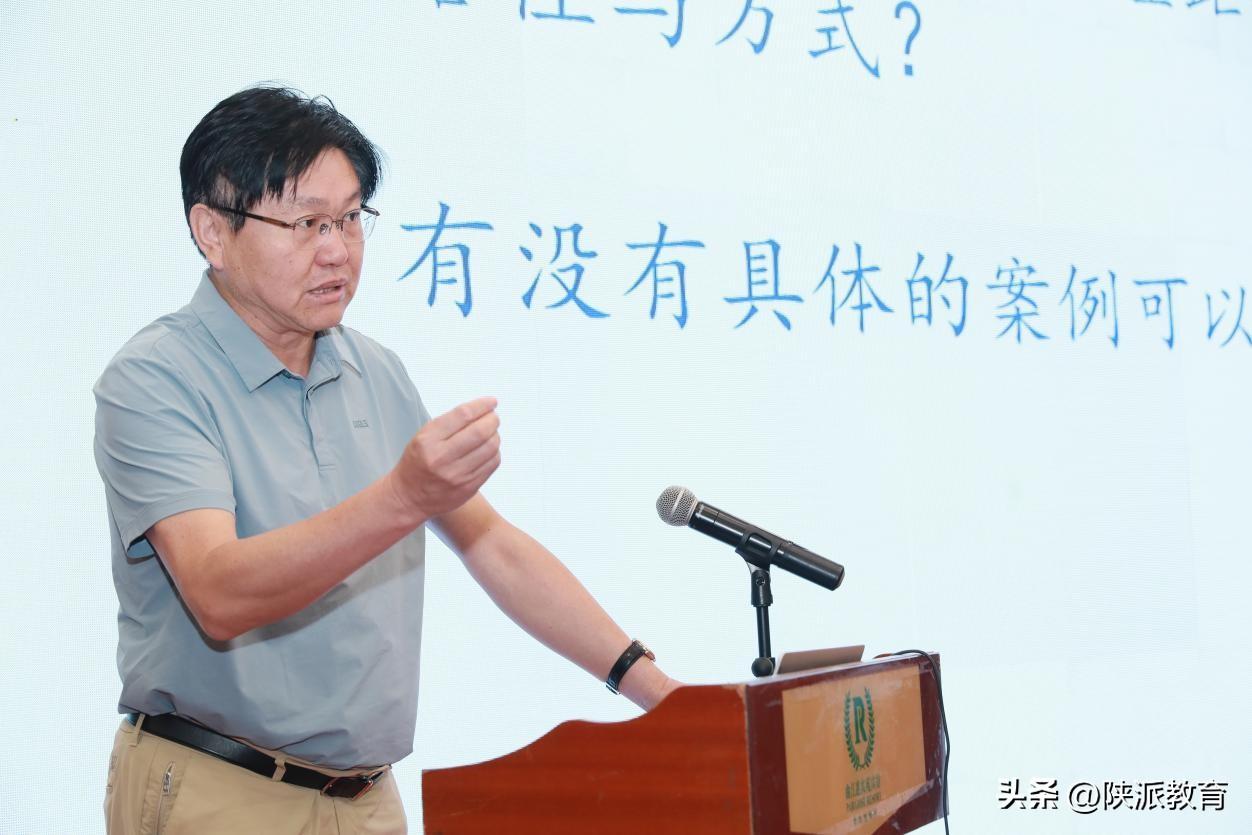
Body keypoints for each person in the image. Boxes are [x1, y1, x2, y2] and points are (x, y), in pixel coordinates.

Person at [93, 85, 679, 834]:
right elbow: (218, 590)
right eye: (305, 223)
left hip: (367, 798)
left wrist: (657, 692)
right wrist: (403, 496)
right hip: (221, 789)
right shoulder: (156, 378)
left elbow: (492, 545)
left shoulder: (374, 370)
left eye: (350, 218)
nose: (337, 249)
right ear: (212, 230)